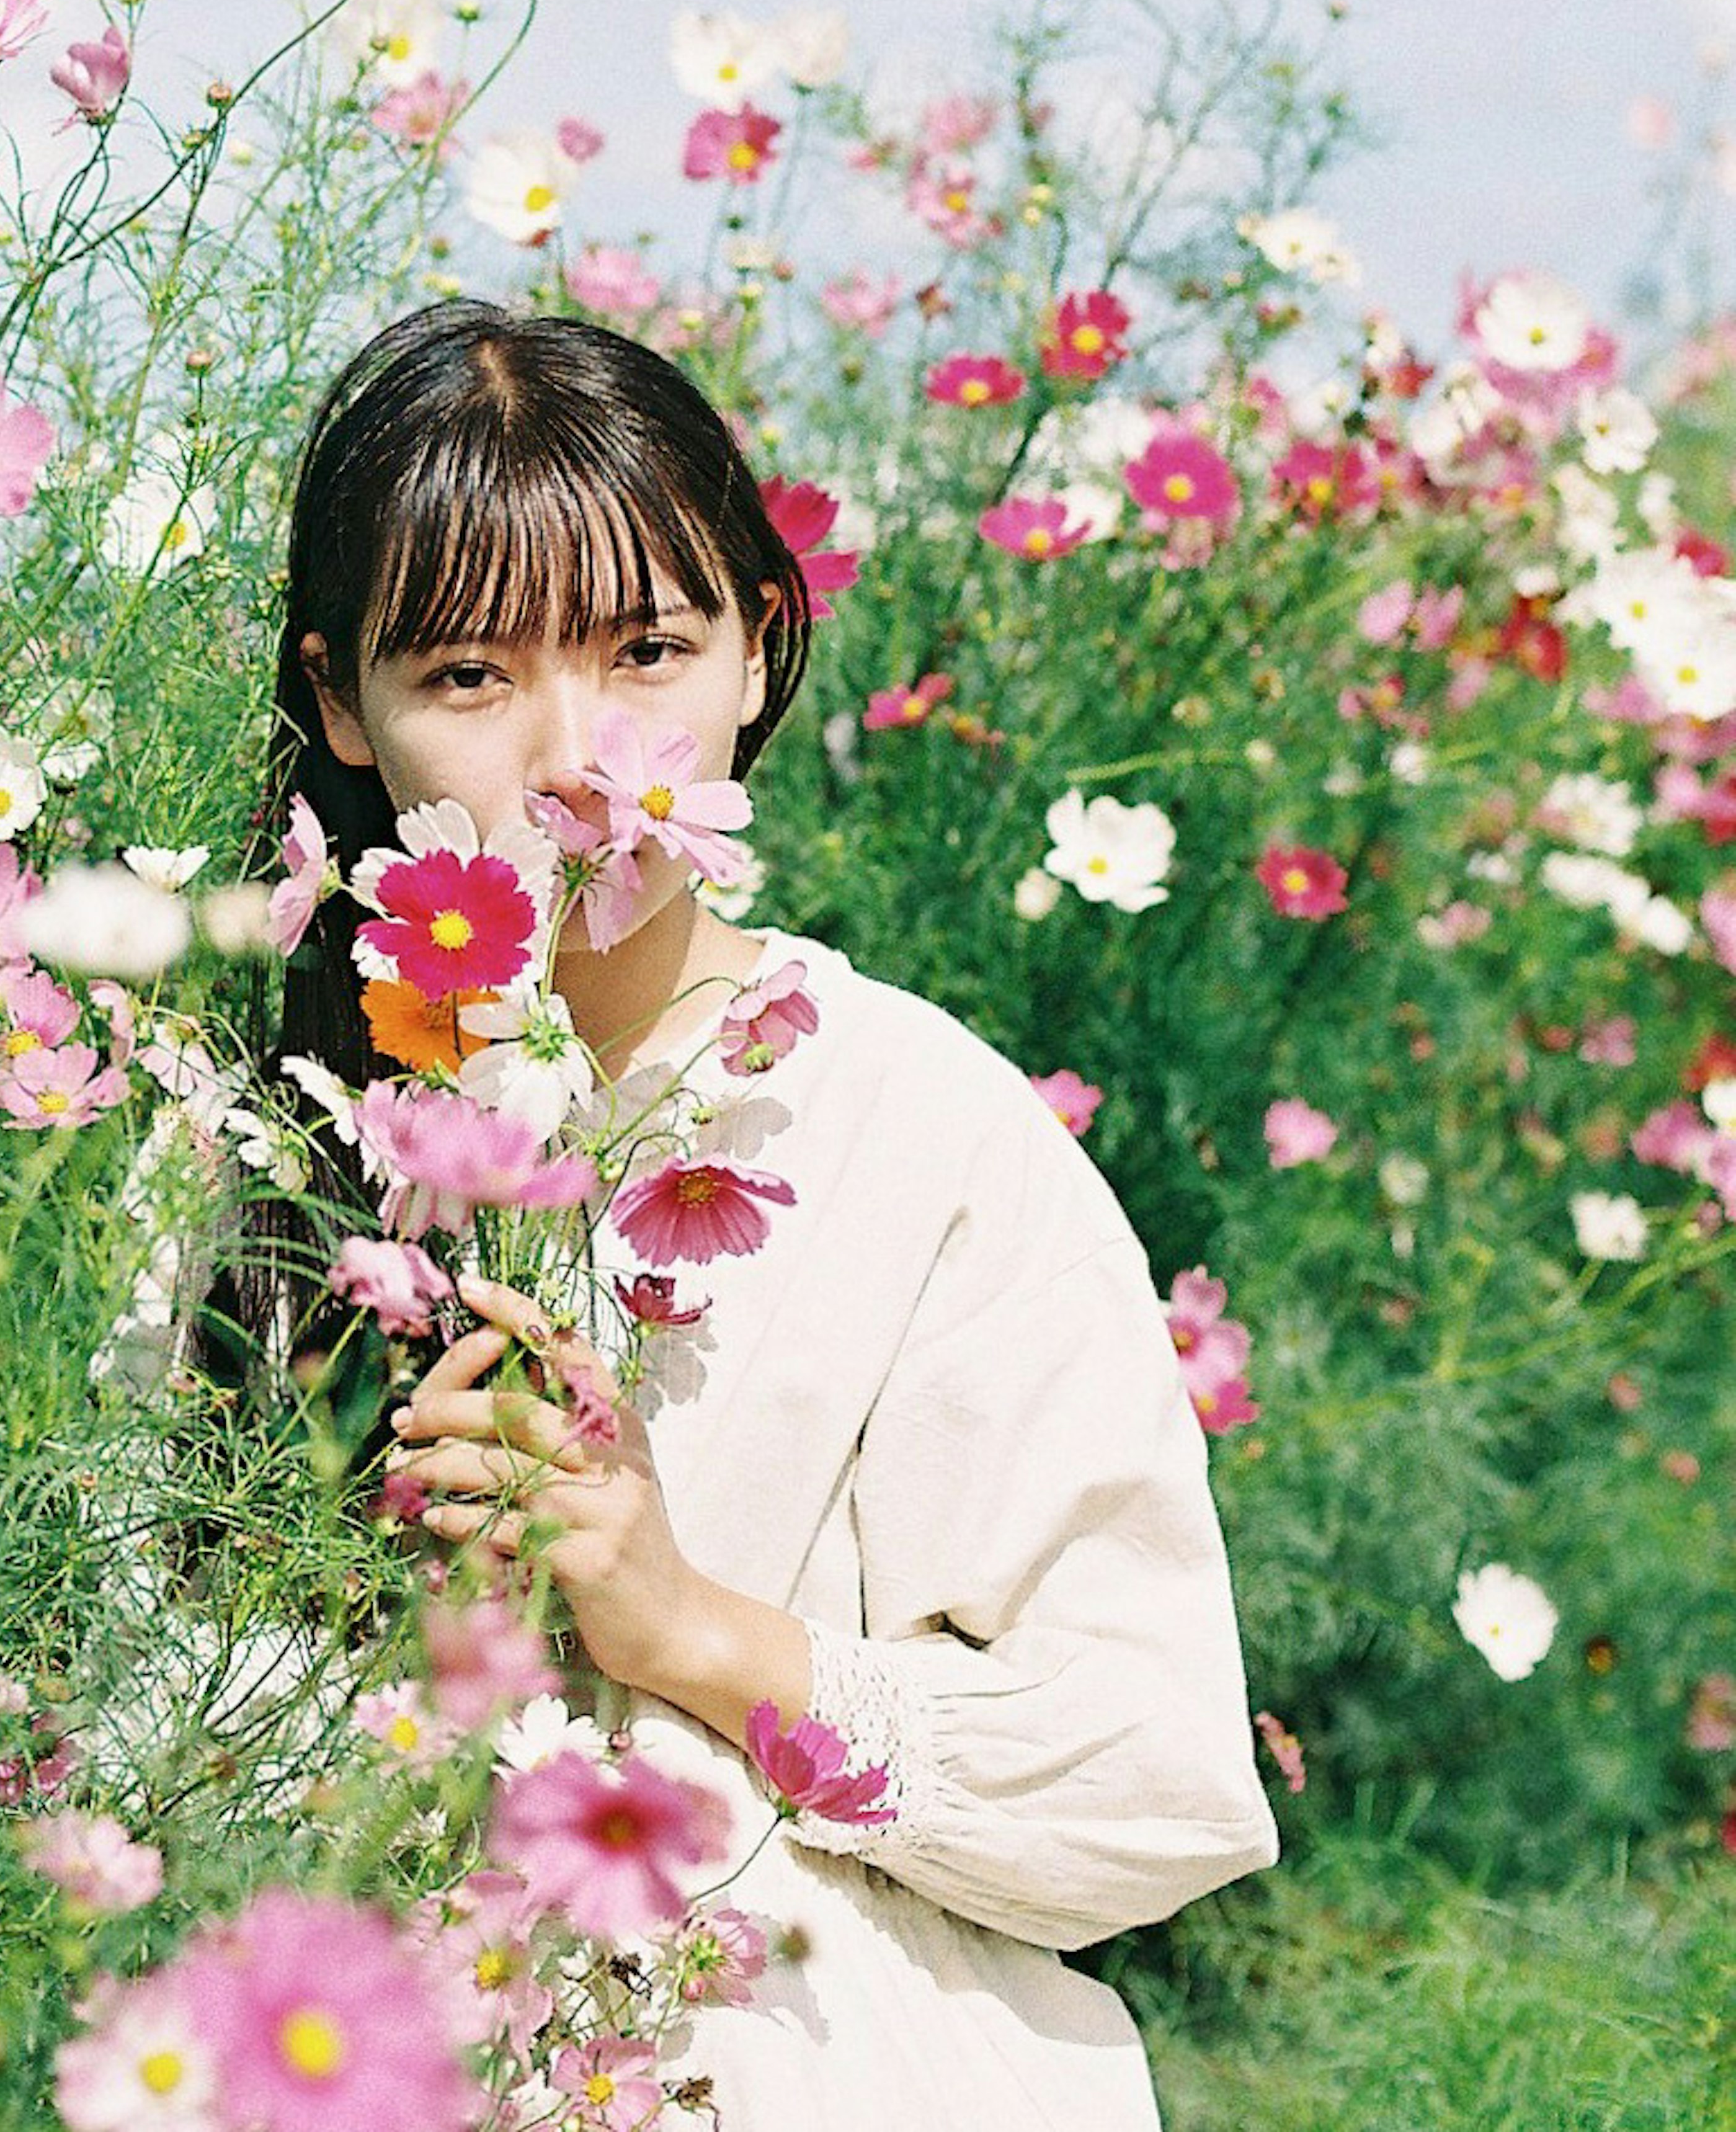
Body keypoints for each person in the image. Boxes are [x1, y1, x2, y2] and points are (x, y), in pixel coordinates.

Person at [270, 297, 1280, 2130]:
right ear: (343, 705)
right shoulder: (262, 1146)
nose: (579, 757)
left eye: (647, 649)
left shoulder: (922, 1130)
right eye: (471, 677)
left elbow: (1155, 1790)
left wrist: (688, 1631)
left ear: (762, 649)